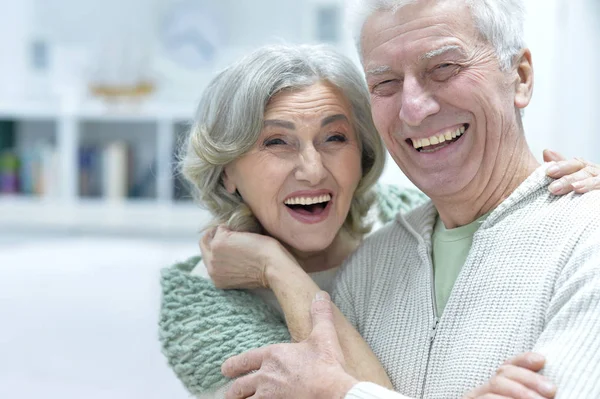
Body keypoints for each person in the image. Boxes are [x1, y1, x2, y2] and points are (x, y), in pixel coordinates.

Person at [159, 43, 599, 398]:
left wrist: (569, 189)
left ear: (364, 151)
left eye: (335, 137)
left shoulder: (413, 218)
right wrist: (276, 268)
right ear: (227, 171)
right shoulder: (198, 307)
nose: (312, 170)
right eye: (277, 142)